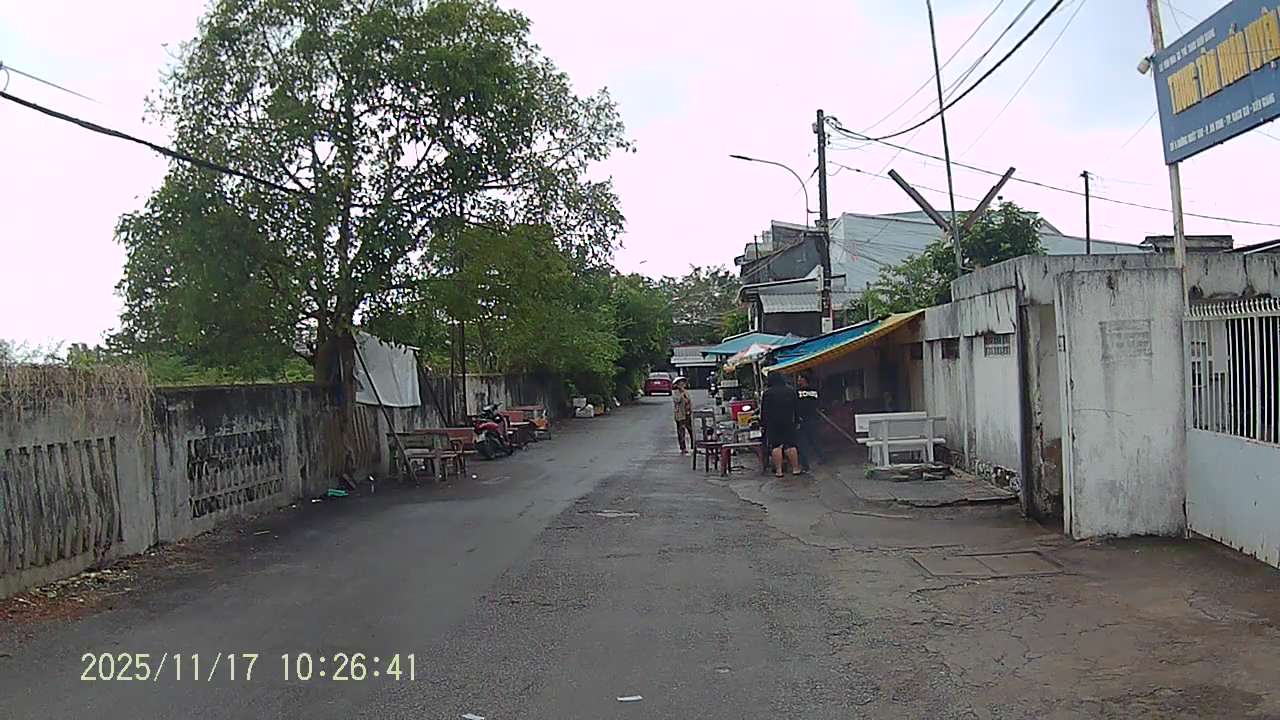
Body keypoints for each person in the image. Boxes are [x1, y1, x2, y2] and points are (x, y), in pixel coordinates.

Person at [760, 371, 802, 477]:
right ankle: (795, 469)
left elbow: (764, 411)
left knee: (776, 446)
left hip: (773, 423)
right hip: (788, 421)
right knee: (791, 445)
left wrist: (763, 425)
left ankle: (779, 471)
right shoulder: (791, 391)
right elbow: (796, 408)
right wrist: (797, 421)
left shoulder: (767, 393)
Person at [795, 373, 825, 471]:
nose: (798, 380)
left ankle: (805, 463)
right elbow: (820, 403)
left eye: (799, 378)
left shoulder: (797, 392)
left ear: (804, 379)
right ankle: (821, 457)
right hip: (813, 418)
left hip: (803, 419)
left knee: (803, 442)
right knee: (815, 439)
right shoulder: (815, 390)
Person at [672, 376, 694, 454]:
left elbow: (689, 401)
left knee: (691, 430)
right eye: (680, 383)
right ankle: (683, 448)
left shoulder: (686, 392)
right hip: (680, 415)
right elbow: (677, 400)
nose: (682, 384)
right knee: (681, 432)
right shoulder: (675, 393)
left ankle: (693, 446)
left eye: (683, 383)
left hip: (687, 413)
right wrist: (681, 394)